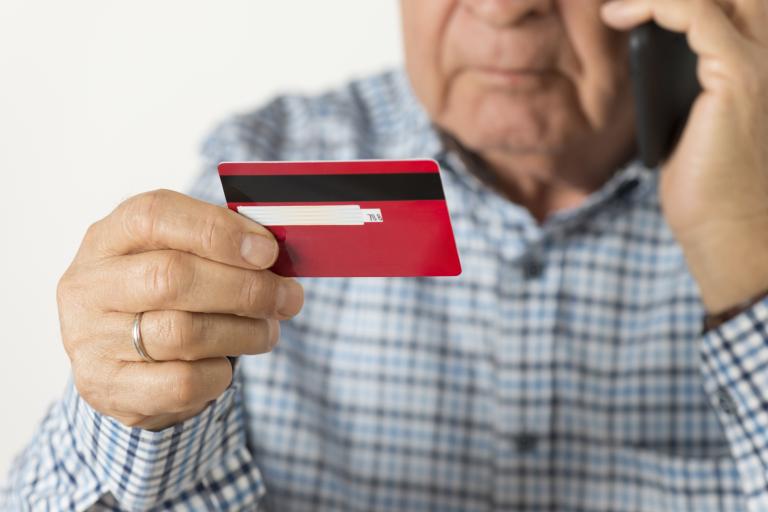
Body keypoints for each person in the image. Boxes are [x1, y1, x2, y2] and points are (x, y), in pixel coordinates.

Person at [2, 0, 767, 510]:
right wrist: (125, 410)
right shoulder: (265, 164)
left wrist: (744, 258)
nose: (503, 7)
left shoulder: (753, 177)